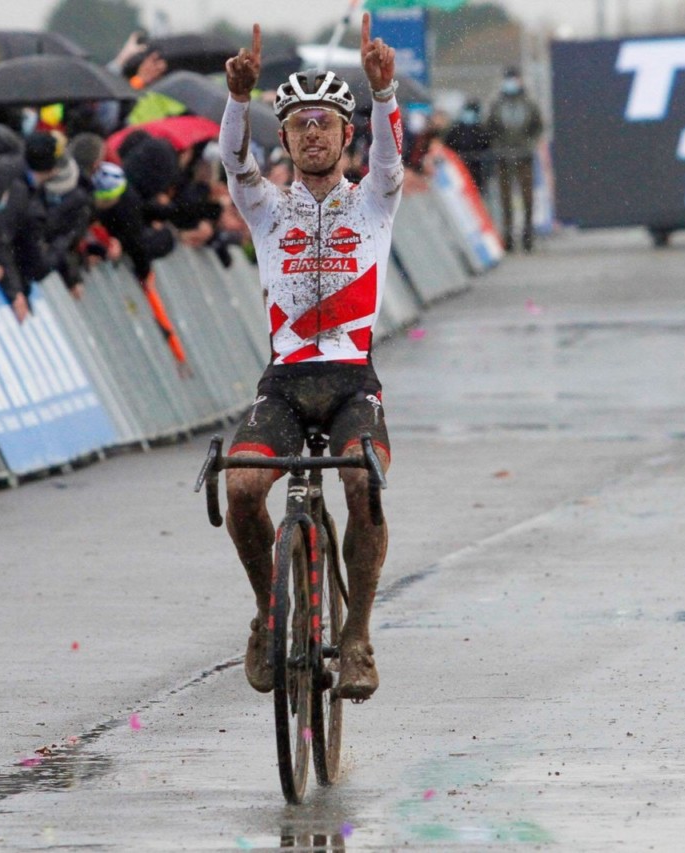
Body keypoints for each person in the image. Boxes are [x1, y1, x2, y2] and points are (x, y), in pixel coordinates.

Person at [220, 16, 402, 702]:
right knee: (239, 489)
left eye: (325, 122)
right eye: (300, 125)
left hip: (353, 381)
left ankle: (355, 635)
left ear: (345, 134)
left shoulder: (374, 202)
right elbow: (234, 162)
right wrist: (237, 100)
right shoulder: (266, 209)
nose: (314, 133)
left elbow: (391, 157)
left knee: (362, 482)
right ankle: (272, 613)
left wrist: (384, 95)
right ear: (287, 138)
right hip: (287, 385)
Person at [486, 66, 544, 252]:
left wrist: (529, 143)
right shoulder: (497, 103)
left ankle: (528, 234)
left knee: (527, 198)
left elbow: (538, 126)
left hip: (524, 155)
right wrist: (498, 145)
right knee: (506, 199)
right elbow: (490, 127)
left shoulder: (528, 103)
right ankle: (508, 235)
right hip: (503, 156)